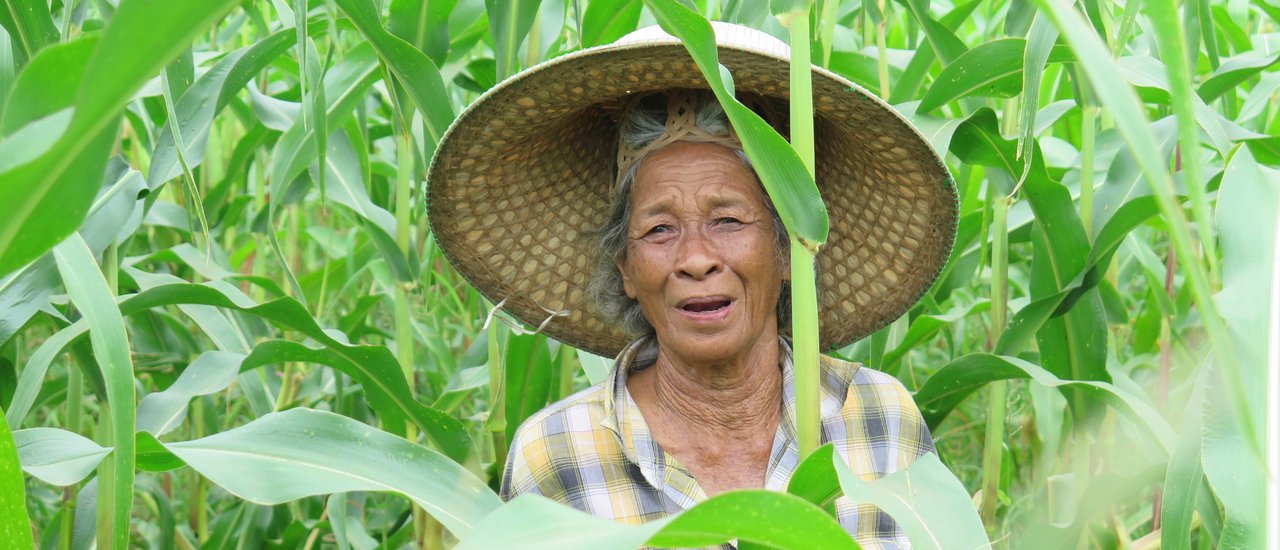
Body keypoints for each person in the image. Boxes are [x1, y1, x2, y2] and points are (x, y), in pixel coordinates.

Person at [427, 21, 958, 549]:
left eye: (727, 220)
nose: (696, 259)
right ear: (627, 270)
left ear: (789, 249)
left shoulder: (878, 418)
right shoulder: (558, 455)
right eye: (659, 229)